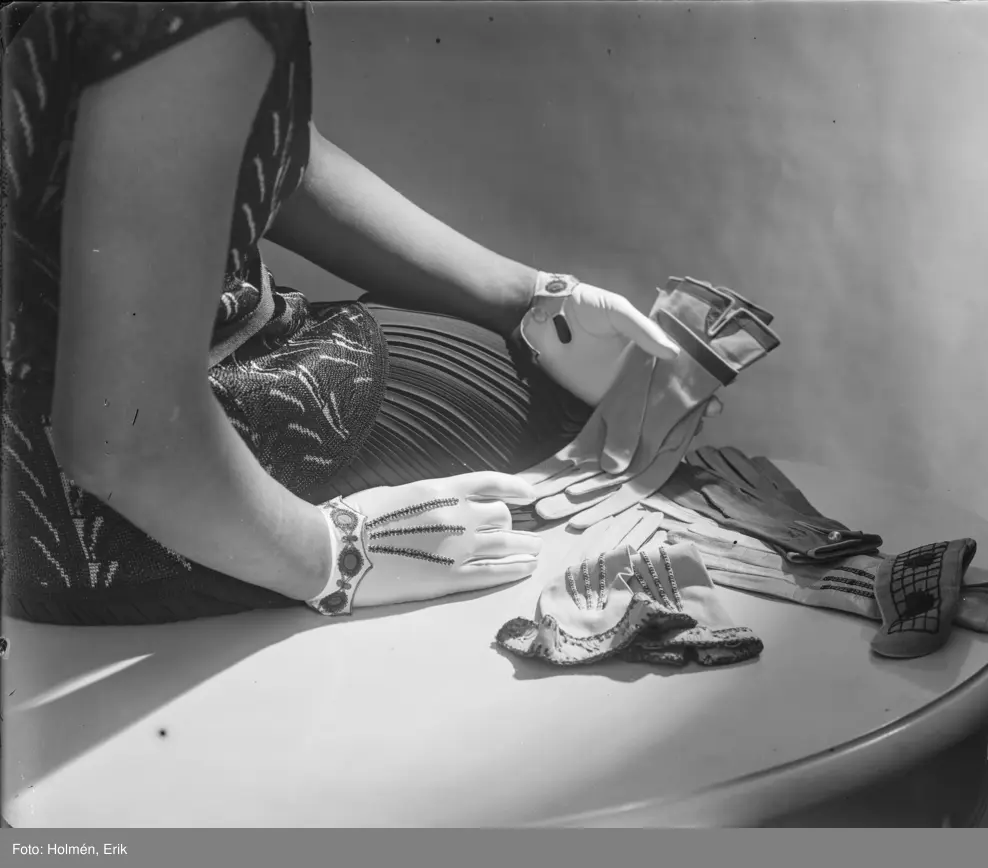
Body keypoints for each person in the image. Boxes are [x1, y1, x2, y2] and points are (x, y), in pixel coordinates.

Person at [1, 2, 697, 625]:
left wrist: (528, 299)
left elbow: (251, 141)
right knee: (555, 410)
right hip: (109, 514)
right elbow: (119, 436)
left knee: (523, 369)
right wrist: (332, 556)